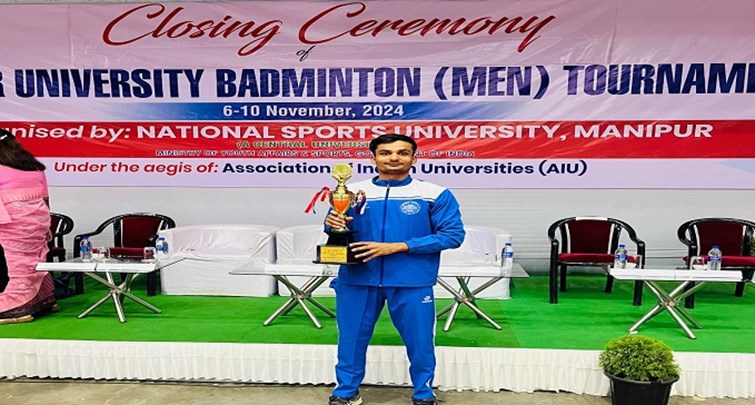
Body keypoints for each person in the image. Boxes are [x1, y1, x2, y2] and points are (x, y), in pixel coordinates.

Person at [325, 134, 465, 405]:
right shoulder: (352, 191)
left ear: (414, 158)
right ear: (373, 158)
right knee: (351, 340)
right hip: (357, 278)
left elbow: (452, 235)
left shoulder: (434, 193)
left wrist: (398, 246)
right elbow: (337, 229)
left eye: (402, 152)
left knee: (420, 340)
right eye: (386, 152)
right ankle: (346, 392)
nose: (393, 158)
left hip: (412, 281)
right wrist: (331, 223)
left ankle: (423, 393)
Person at [0, 128, 57, 324]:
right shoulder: (33, 165)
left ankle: (16, 307)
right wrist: (46, 224)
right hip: (37, 218)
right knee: (34, 259)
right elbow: (45, 198)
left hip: (11, 219)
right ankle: (44, 299)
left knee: (18, 263)